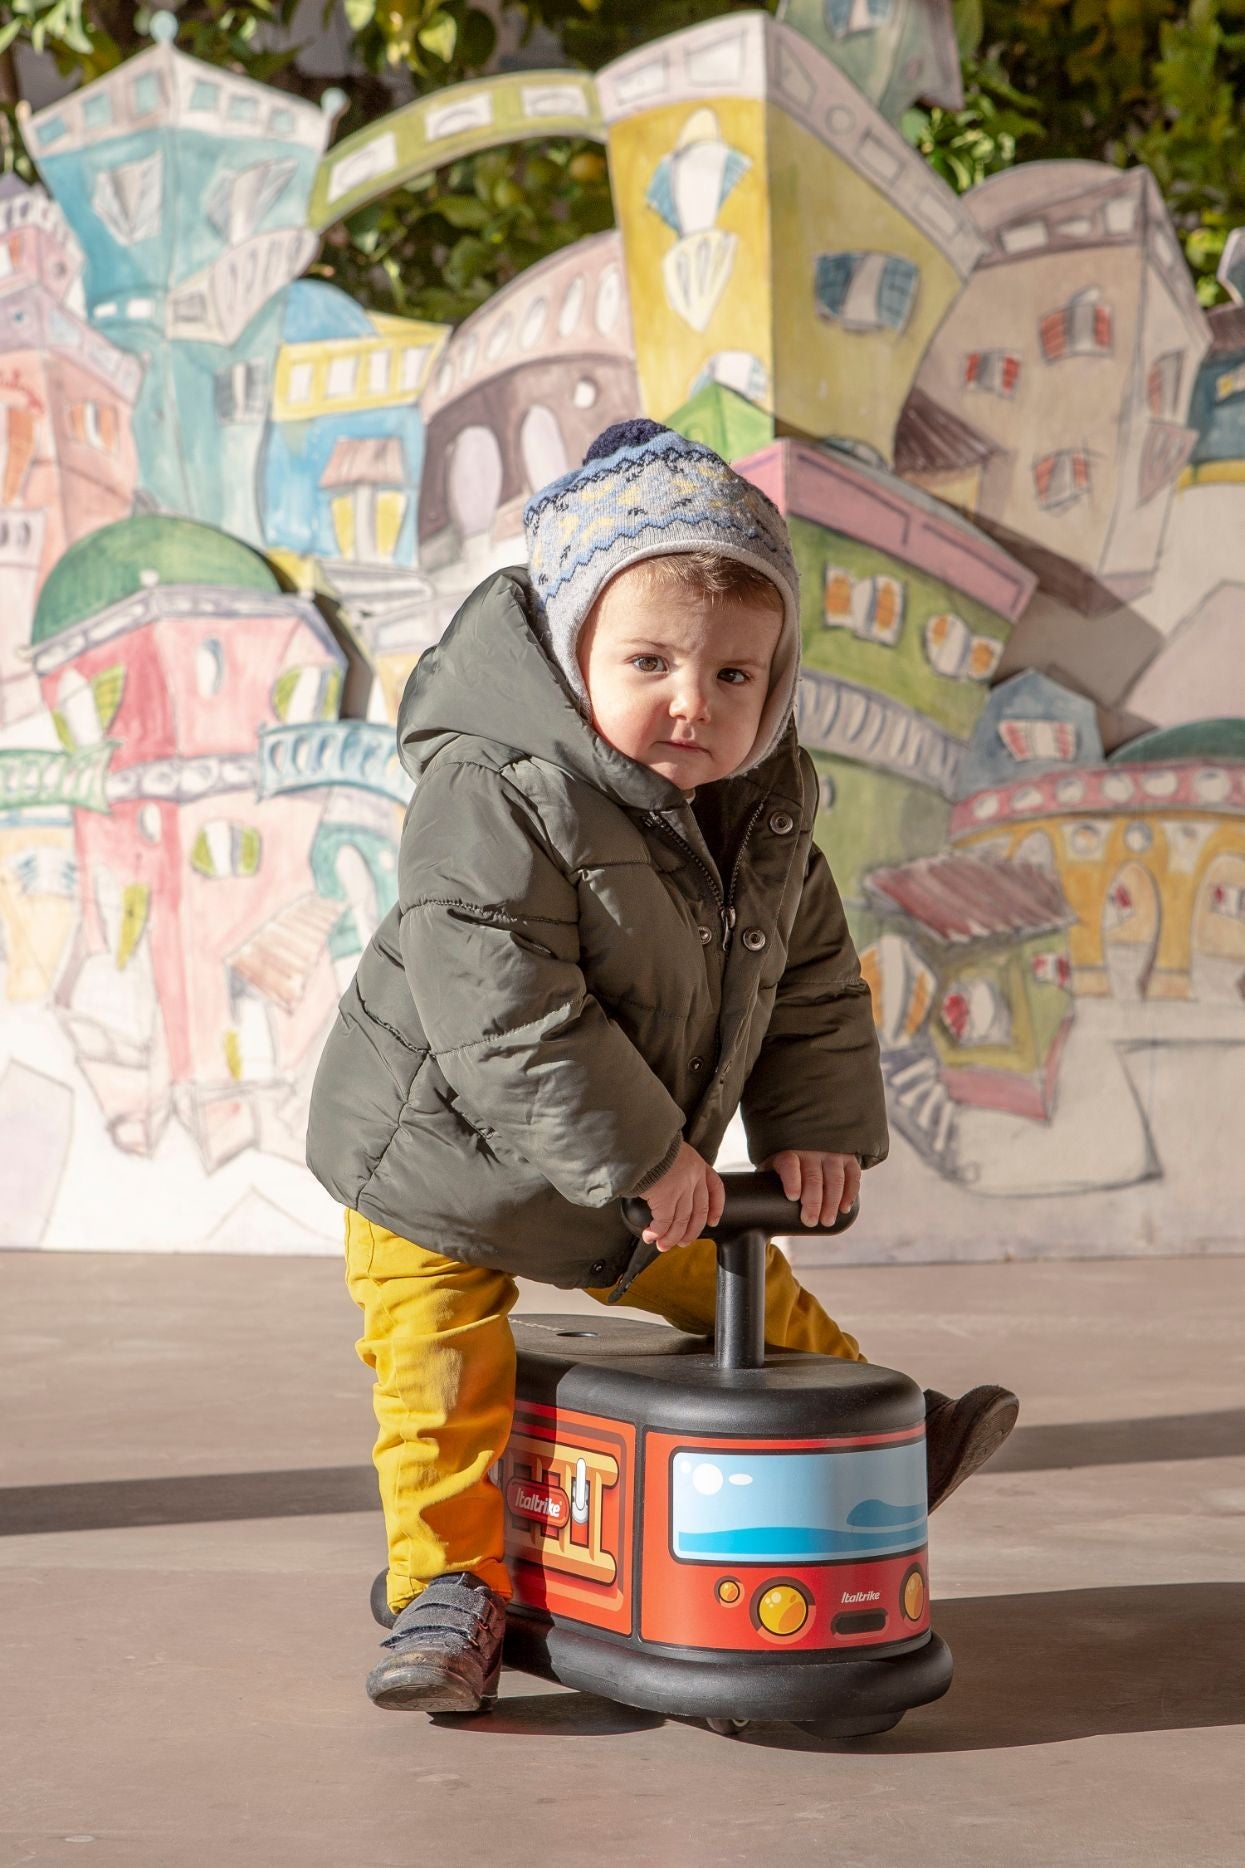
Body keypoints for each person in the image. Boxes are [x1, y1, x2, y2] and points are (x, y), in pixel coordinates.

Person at [306, 418, 1018, 1716]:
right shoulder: (497, 788)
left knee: (754, 1287)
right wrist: (643, 1154)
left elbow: (804, 979)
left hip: (626, 1160)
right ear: (572, 656)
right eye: (649, 663)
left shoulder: (756, 808)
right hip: (438, 1156)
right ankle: (444, 1595)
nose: (695, 702)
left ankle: (880, 1440)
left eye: (736, 677)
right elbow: (505, 1012)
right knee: (439, 1363)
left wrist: (810, 1129)